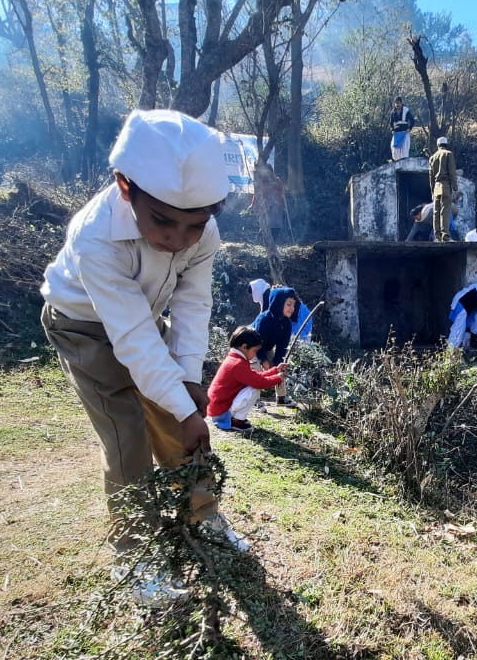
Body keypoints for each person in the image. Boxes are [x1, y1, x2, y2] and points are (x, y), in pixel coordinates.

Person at [39, 109, 249, 601]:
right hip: (84, 327)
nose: (177, 240)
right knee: (127, 435)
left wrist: (189, 384)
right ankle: (136, 560)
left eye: (194, 226)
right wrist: (179, 401)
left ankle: (203, 515)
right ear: (125, 186)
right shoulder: (95, 236)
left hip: (144, 319)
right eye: (163, 222)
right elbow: (130, 339)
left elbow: (193, 304)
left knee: (183, 422)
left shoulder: (204, 235)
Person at [206, 327, 286, 435]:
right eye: (255, 351)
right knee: (254, 389)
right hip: (221, 411)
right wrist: (278, 378)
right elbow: (258, 382)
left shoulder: (234, 359)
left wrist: (276, 370)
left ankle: (235, 418)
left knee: (253, 385)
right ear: (244, 347)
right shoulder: (237, 364)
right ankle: (236, 421)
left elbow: (255, 377)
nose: (255, 354)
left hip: (218, 408)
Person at [252, 285, 300, 407]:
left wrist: (277, 363)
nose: (292, 308)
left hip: (267, 347)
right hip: (251, 348)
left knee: (280, 367)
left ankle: (281, 397)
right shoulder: (264, 319)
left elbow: (282, 347)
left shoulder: (286, 324)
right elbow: (257, 343)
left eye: (293, 305)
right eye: (288, 304)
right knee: (255, 369)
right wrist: (263, 360)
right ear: (279, 303)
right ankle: (254, 399)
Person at [428, 136, 458, 242]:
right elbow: (452, 172)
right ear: (446, 145)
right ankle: (445, 236)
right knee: (445, 211)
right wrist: (455, 188)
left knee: (436, 212)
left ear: (438, 145)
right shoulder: (448, 154)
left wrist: (432, 191)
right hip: (445, 185)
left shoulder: (432, 157)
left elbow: (431, 177)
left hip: (436, 186)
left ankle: (437, 237)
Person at [390, 96, 414, 161]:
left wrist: (410, 128)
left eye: (398, 103)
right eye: (396, 103)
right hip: (397, 134)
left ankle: (404, 162)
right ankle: (396, 162)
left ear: (401, 103)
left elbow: (412, 120)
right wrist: (392, 130)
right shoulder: (393, 112)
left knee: (404, 150)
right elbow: (391, 123)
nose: (397, 105)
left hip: (405, 133)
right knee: (395, 150)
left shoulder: (406, 110)